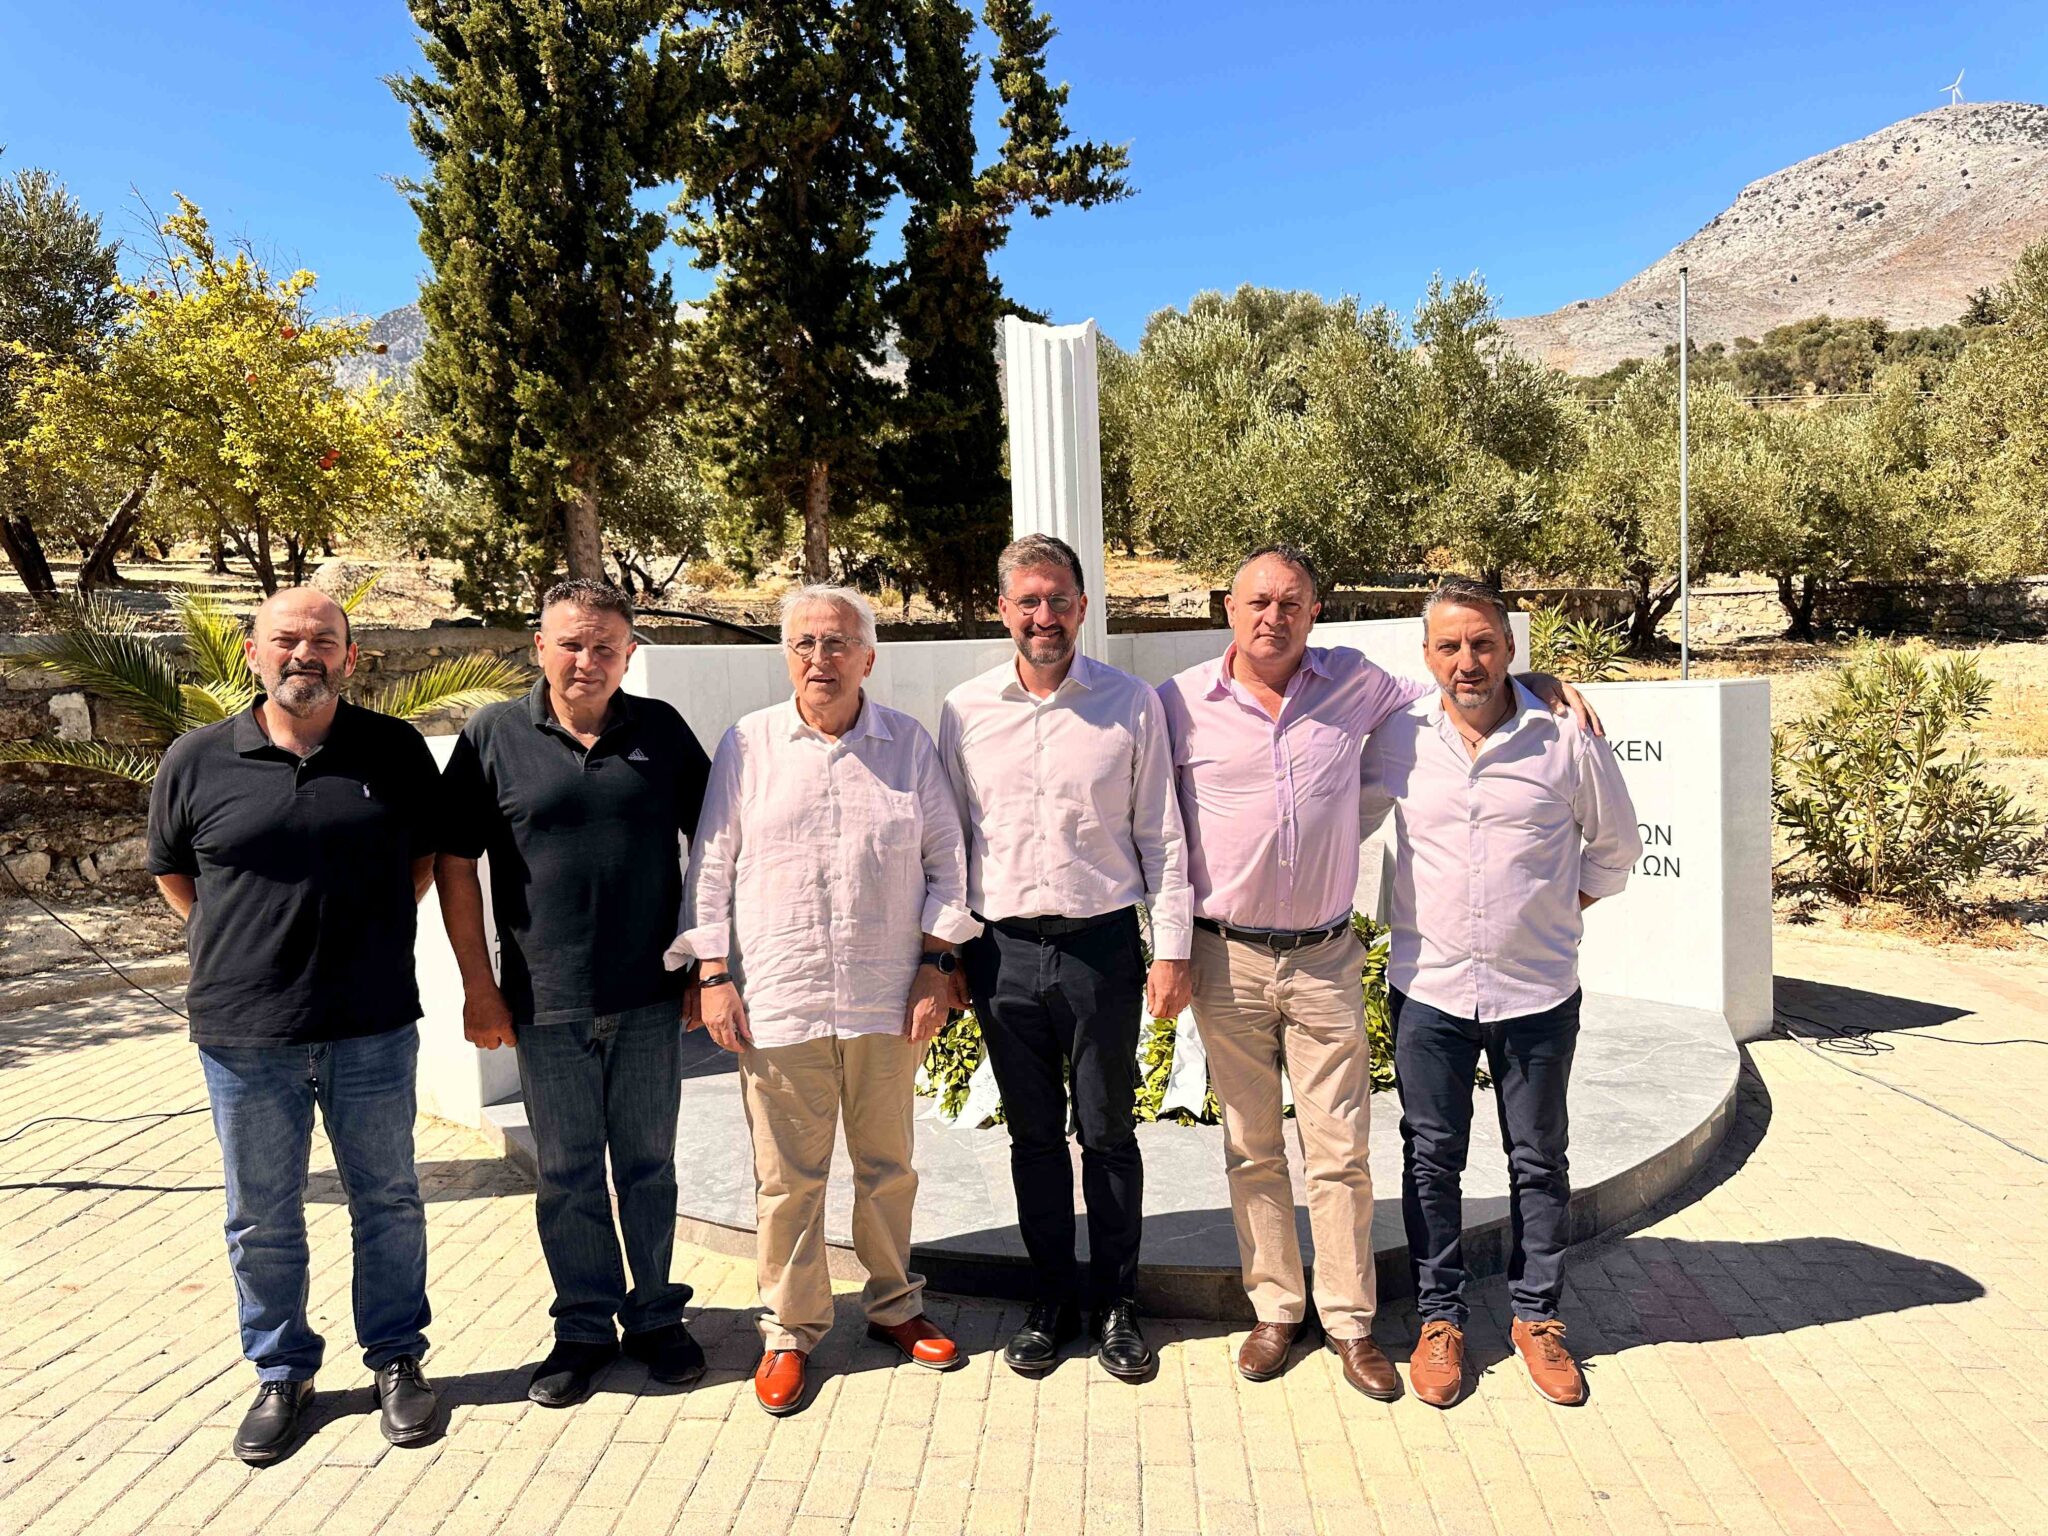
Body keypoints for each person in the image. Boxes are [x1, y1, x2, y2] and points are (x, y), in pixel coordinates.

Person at [1157, 546, 1597, 1401]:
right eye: (1257, 601)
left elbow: (1459, 684)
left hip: (1324, 957)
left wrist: (1536, 682)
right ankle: (1276, 1309)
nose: (1273, 616)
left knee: (1340, 1152)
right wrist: (1169, 947)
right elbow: (1161, 832)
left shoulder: (1357, 683)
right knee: (1252, 1147)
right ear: (1228, 608)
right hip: (1224, 956)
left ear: (1314, 612)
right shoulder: (1178, 703)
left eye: (1291, 602)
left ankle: (1350, 1322)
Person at [146, 587, 441, 1464]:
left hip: (372, 1023)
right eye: (286, 639)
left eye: (323, 640)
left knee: (388, 1199)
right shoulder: (196, 757)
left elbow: (422, 861)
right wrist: (239, 947)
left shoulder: (393, 750)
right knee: (261, 1215)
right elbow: (173, 873)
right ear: (252, 652)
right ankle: (282, 1372)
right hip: (244, 1033)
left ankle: (397, 1360)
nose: (303, 653)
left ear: (350, 656)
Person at [675, 585, 979, 1417]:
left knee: (888, 1166)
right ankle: (790, 1328)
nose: (821, 658)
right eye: (805, 643)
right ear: (787, 656)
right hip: (782, 996)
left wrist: (935, 967)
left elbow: (948, 862)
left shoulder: (907, 745)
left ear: (868, 658)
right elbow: (711, 865)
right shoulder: (749, 745)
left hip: (887, 998)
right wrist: (712, 974)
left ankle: (894, 1306)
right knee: (788, 1179)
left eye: (838, 642)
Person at [1361, 576, 1641, 1409]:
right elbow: (1336, 814)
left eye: (1483, 643)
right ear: (1426, 656)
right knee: (1430, 1161)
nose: (1467, 661)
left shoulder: (1565, 736)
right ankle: (1439, 1320)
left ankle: (1537, 1317)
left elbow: (1615, 849)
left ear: (1510, 648)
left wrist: (1554, 911)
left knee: (1539, 1159)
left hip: (1538, 990)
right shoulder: (1399, 737)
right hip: (1430, 990)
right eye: (1449, 646)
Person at [436, 578, 712, 1407]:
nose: (586, 660)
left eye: (604, 646)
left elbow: (720, 843)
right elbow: (456, 864)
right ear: (539, 647)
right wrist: (478, 986)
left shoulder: (660, 731)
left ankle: (656, 1315)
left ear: (628, 654)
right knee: (566, 1173)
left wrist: (707, 963)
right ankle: (584, 1328)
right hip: (543, 1002)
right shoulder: (493, 735)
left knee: (649, 1166)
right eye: (570, 644)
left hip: (650, 997)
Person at [939, 534, 1192, 1380]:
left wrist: (1172, 949)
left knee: (1110, 1133)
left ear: (1083, 607)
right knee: (1034, 1137)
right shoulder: (965, 710)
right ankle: (1050, 1301)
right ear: (1003, 610)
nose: (1043, 615)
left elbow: (1161, 833)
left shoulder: (1131, 703)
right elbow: (951, 841)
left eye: (1058, 599)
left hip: (1100, 948)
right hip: (1002, 951)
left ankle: (1117, 1304)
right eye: (1028, 601)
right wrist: (946, 956)